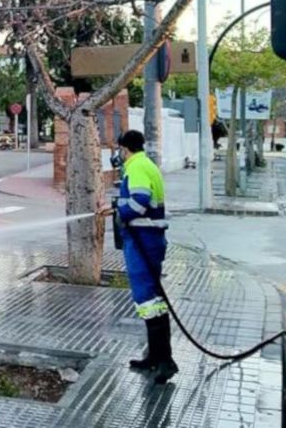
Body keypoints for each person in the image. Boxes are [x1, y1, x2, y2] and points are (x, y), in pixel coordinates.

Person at [115, 129, 177, 384]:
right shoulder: (145, 164)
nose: (119, 154)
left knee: (146, 299)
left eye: (119, 150)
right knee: (152, 300)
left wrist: (120, 211)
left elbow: (139, 202)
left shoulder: (136, 167)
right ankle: (155, 356)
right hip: (147, 238)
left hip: (143, 240)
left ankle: (165, 361)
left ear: (125, 149)